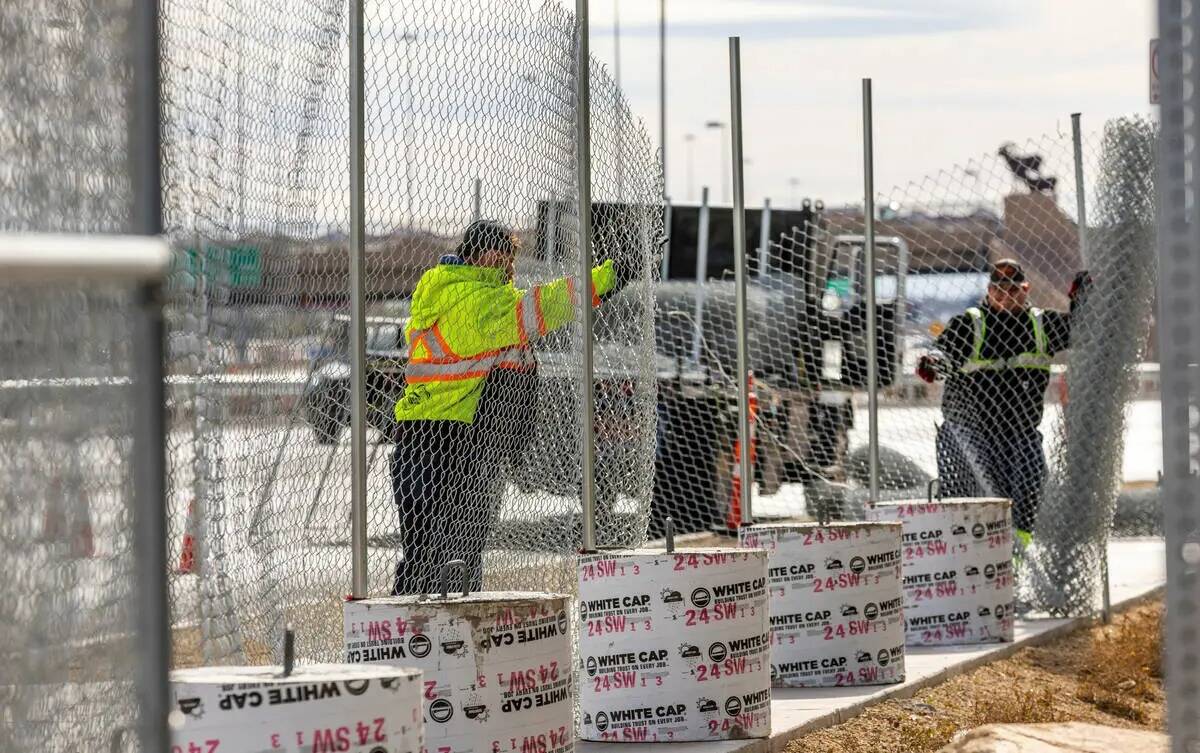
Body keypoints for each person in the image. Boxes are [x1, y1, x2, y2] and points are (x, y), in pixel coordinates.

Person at [390, 219, 626, 595]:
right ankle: (444, 638)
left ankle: (412, 637)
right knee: (455, 556)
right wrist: (607, 277)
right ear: (488, 257)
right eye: (507, 260)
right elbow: (544, 305)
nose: (512, 270)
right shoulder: (477, 302)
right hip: (453, 442)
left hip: (422, 437)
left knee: (426, 556)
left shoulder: (446, 293)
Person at [916, 259, 1090, 550]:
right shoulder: (970, 325)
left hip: (1020, 433)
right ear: (989, 291)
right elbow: (943, 355)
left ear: (1026, 289)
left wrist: (1082, 299)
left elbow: (1082, 330)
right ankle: (970, 557)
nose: (1005, 296)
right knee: (970, 501)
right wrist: (933, 365)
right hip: (970, 434)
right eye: (998, 290)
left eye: (1012, 290)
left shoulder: (1041, 324)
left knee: (1029, 491)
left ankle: (1017, 557)